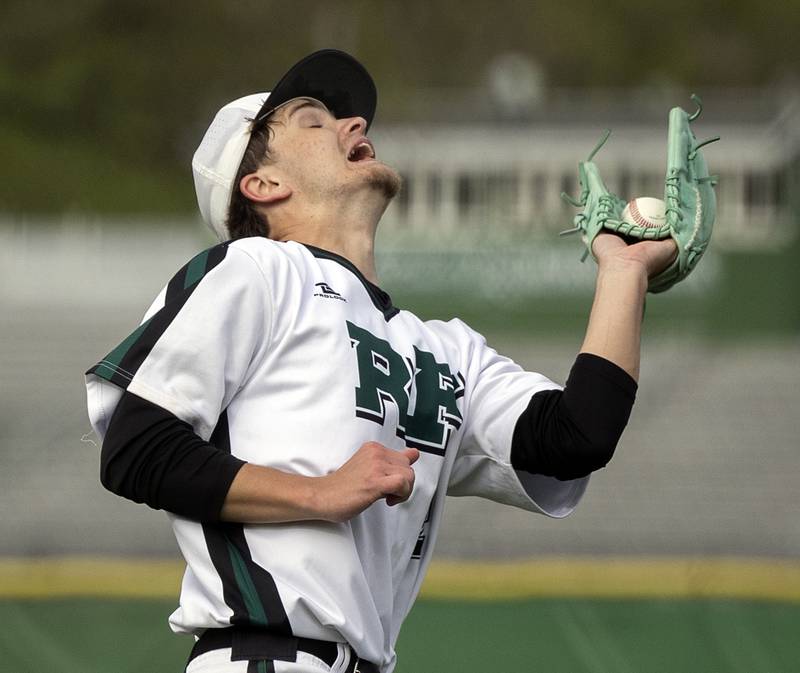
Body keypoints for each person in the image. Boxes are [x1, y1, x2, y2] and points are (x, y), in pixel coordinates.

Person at [85, 49, 677, 673]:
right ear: (263, 185)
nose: (355, 125)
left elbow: (574, 437)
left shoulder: (443, 347)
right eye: (315, 120)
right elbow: (136, 449)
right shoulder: (255, 270)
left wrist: (623, 271)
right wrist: (320, 492)